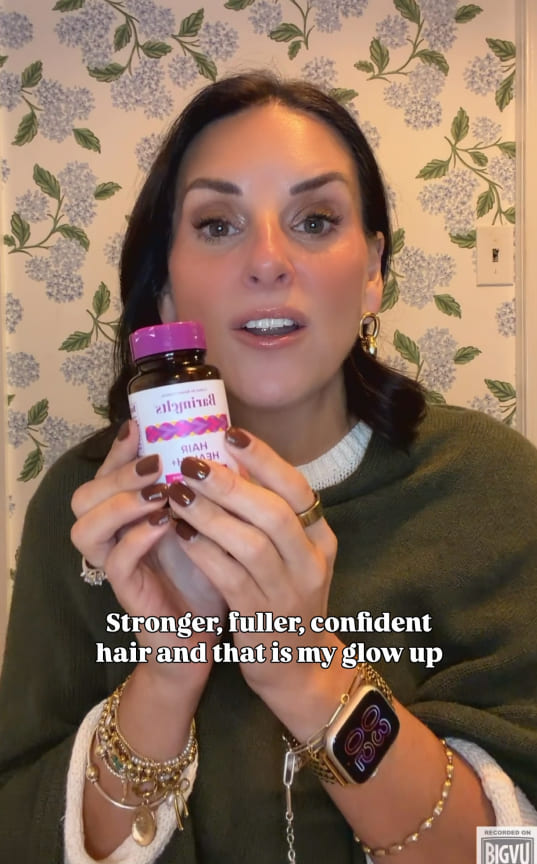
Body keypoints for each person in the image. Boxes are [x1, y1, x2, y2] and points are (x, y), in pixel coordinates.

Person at [0, 71, 536, 864]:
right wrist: (169, 670)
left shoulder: (491, 488)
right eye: (217, 225)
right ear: (165, 290)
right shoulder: (91, 510)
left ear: (373, 272)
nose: (267, 260)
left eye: (314, 220)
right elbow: (21, 836)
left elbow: (513, 851)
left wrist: (308, 674)